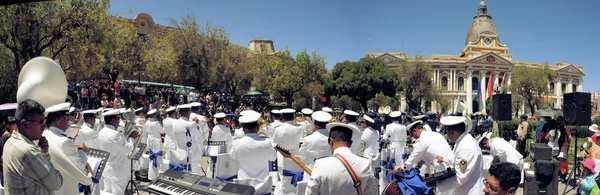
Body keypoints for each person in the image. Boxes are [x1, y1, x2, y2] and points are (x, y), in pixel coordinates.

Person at [3, 99, 63, 195]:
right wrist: (45, 154)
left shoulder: (10, 141)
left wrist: (43, 151)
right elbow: (57, 183)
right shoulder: (28, 152)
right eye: (40, 122)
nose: (44, 126)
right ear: (25, 124)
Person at [305, 123, 377, 195]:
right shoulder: (365, 164)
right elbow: (371, 192)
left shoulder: (321, 164)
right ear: (350, 143)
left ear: (331, 141)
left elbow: (311, 192)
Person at [436, 116, 484, 195]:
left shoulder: (465, 146)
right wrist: (444, 160)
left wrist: (437, 186)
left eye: (447, 132)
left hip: (471, 191)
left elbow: (460, 177)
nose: (447, 135)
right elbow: (456, 159)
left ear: (453, 132)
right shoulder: (462, 141)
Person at [229, 111, 277, 190]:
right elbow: (273, 158)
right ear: (258, 128)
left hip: (243, 186)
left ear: (243, 130)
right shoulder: (266, 142)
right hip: (262, 186)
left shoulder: (236, 143)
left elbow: (233, 157)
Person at [98, 109, 140, 195]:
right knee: (118, 193)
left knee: (107, 192)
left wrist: (126, 137)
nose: (119, 122)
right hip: (118, 170)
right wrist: (131, 137)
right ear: (113, 120)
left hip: (107, 168)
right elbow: (128, 149)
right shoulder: (116, 134)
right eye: (118, 119)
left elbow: (115, 145)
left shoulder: (101, 131)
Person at [272, 108, 303, 195]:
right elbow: (301, 143)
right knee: (295, 180)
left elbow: (274, 145)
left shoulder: (278, 129)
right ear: (293, 117)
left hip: (282, 158)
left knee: (283, 181)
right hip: (297, 158)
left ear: (282, 117)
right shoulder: (300, 128)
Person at [299, 111, 333, 180]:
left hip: (311, 172)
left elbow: (301, 155)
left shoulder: (308, 139)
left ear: (315, 124)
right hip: (328, 173)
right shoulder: (333, 138)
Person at [145, 109, 165, 181]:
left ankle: (151, 176)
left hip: (150, 140)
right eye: (155, 114)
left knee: (152, 157)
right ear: (153, 115)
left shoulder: (147, 122)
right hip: (156, 141)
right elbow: (162, 131)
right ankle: (159, 174)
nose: (156, 115)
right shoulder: (156, 122)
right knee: (158, 158)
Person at [0, 116, 17, 186]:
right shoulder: (5, 137)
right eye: (13, 125)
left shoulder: (9, 135)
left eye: (16, 124)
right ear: (8, 126)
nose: (15, 126)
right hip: (6, 166)